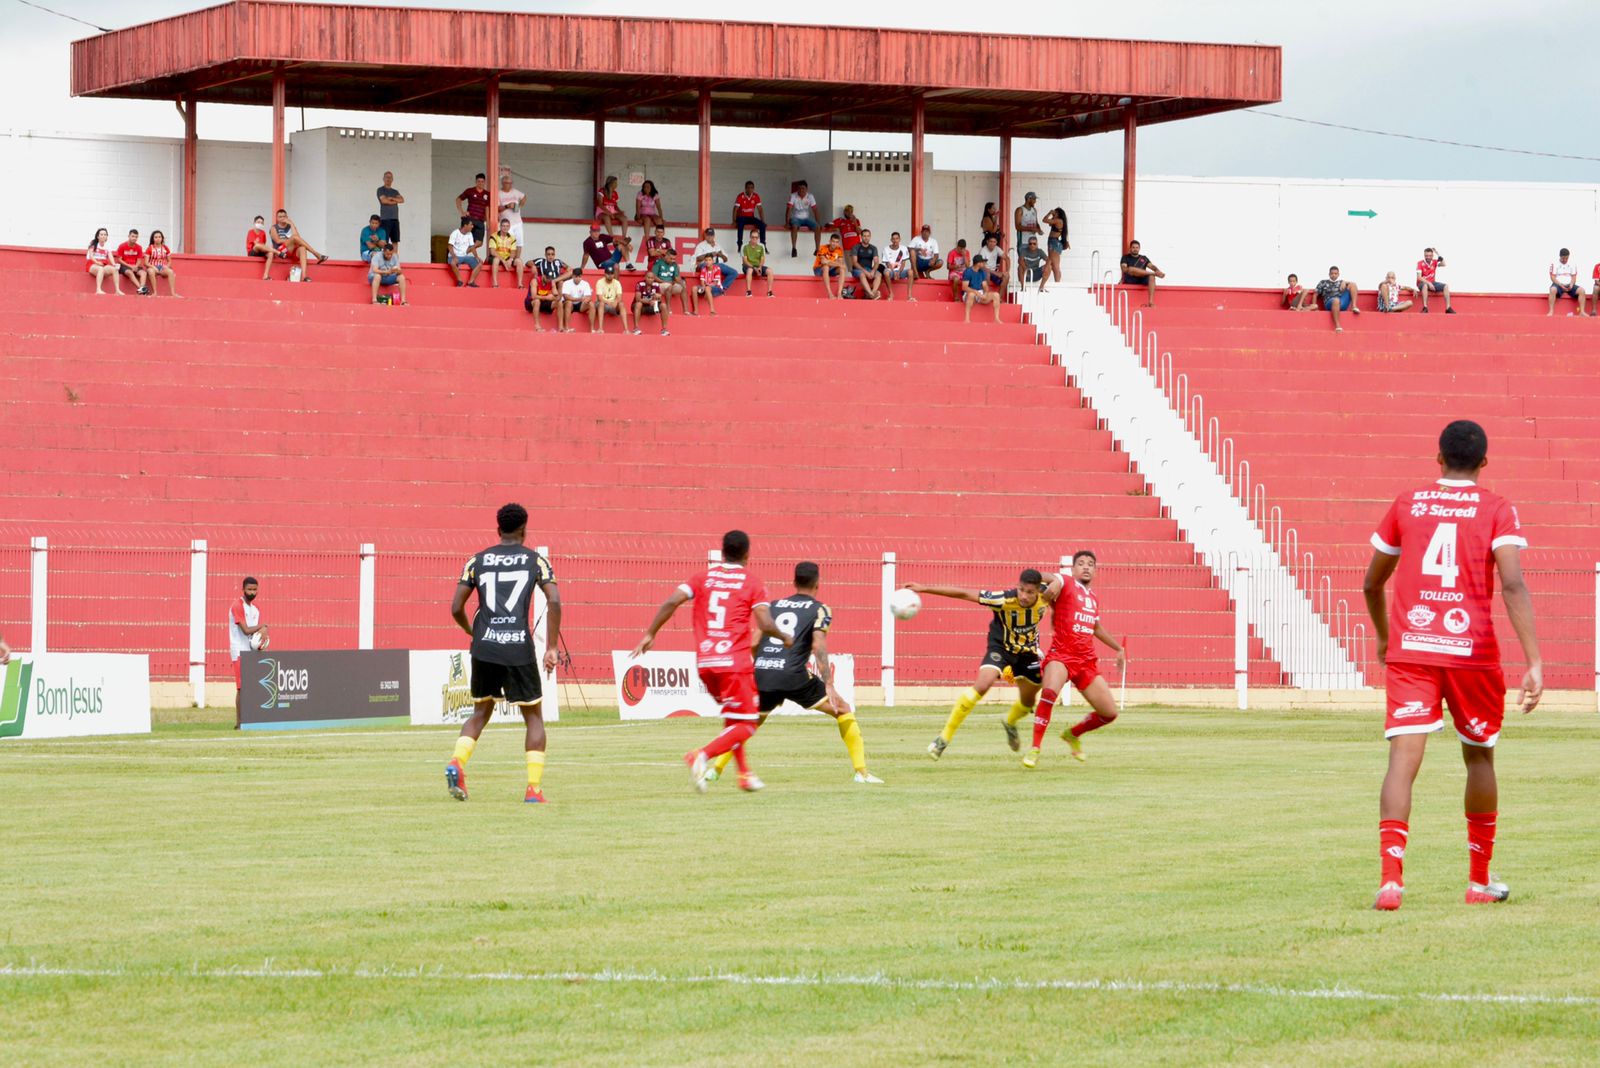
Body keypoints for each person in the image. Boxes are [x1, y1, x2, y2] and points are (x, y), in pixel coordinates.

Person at [1362, 419, 1541, 911]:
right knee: (1479, 756)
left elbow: (1371, 583)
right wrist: (1534, 660)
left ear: (1437, 458)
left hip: (1412, 650)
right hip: (1473, 652)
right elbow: (1512, 584)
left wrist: (1383, 636)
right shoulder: (1497, 509)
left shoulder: (1407, 503)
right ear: (1484, 463)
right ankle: (1479, 881)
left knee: (1403, 761)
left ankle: (1390, 882)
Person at [630, 530, 790, 794]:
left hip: (706, 664)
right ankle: (700, 755)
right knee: (748, 724)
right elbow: (764, 621)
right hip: (735, 664)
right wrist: (783, 636)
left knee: (733, 717)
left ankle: (744, 774)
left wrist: (651, 633)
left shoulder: (702, 577)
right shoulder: (751, 582)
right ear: (748, 554)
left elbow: (673, 600)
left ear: (722, 552)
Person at [706, 561, 884, 786]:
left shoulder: (773, 605)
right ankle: (862, 773)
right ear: (818, 584)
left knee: (747, 724)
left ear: (794, 582)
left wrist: (763, 664)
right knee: (844, 709)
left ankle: (715, 770)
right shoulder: (820, 609)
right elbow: (818, 645)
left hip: (764, 673)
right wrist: (829, 684)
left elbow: (753, 642)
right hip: (794, 676)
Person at [445, 502, 562, 805]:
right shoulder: (537, 561)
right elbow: (555, 600)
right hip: (517, 648)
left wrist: (474, 633)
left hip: (484, 645)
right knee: (533, 716)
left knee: (480, 711)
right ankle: (533, 790)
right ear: (524, 529)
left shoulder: (477, 561)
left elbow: (456, 608)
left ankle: (457, 762)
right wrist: (550, 647)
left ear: (498, 530)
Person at [908, 569, 1052, 760]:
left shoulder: (1047, 594)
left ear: (1038, 591)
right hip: (1001, 649)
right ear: (1018, 586)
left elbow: (1062, 583)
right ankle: (942, 739)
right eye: (1021, 590)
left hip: (1028, 653)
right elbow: (964, 593)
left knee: (1028, 702)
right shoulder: (1003, 599)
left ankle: (1009, 722)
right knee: (983, 685)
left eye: (1030, 592)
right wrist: (924, 588)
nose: (1024, 596)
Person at [1025, 550, 1127, 769]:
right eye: (1081, 563)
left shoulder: (1093, 599)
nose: (1086, 567)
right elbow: (1049, 578)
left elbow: (1096, 628)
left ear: (1096, 571)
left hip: (1086, 661)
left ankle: (1072, 734)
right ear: (1073, 569)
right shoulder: (1066, 581)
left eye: (1091, 564)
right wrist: (1048, 582)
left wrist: (1118, 648)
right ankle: (1035, 748)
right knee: (1050, 691)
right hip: (1061, 655)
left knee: (1109, 713)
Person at [228, 576, 266, 730]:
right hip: (238, 652)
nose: (252, 592)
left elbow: (253, 636)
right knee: (241, 688)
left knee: (251, 687)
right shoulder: (237, 606)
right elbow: (245, 631)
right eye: (249, 589)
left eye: (254, 589)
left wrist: (260, 643)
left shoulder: (255, 610)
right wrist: (263, 627)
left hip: (250, 652)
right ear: (243, 589)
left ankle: (250, 720)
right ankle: (239, 723)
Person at [265, 210, 327, 282]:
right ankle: (316, 253)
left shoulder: (290, 226)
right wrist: (290, 240)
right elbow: (278, 240)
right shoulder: (274, 227)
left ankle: (304, 276)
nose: (282, 218)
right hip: (280, 251)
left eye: (284, 216)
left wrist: (291, 224)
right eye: (280, 217)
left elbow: (298, 238)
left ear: (287, 217)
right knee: (294, 238)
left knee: (302, 248)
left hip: (291, 251)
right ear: (277, 218)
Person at [526, 246, 571, 331]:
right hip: (535, 301)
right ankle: (537, 326)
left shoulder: (558, 263)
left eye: (552, 254)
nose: (550, 256)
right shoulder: (540, 264)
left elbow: (570, 269)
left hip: (555, 283)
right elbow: (533, 296)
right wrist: (533, 266)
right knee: (537, 301)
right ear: (545, 255)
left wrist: (555, 296)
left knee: (559, 302)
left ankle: (561, 328)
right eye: (548, 254)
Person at [1315, 265, 1362, 333]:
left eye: (1335, 273)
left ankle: (1354, 306)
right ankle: (1337, 325)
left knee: (1353, 284)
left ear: (1338, 274)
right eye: (1332, 273)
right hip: (1330, 303)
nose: (1334, 275)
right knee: (1336, 300)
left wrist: (1345, 282)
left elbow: (1350, 285)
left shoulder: (1341, 282)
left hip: (1341, 302)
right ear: (1329, 274)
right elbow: (1315, 294)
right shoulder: (1323, 282)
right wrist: (1314, 305)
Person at [1119, 240, 1165, 306]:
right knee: (1131, 269)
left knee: (1152, 277)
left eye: (1137, 247)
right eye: (1133, 247)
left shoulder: (1143, 258)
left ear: (1139, 248)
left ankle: (1150, 302)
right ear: (1130, 248)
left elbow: (1152, 266)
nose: (1135, 249)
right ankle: (1154, 274)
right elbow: (1124, 269)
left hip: (1141, 279)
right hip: (1130, 279)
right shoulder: (1125, 257)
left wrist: (1157, 270)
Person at [594, 265, 638, 334]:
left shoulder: (617, 283)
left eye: (611, 274)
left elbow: (619, 297)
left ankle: (626, 330)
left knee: (621, 304)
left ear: (614, 274)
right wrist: (609, 302)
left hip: (613, 305)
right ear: (605, 274)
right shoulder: (600, 282)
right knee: (601, 303)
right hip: (603, 304)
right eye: (608, 274)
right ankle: (600, 329)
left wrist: (616, 302)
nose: (610, 275)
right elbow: (599, 298)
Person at [693, 228, 739, 293]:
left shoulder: (718, 246)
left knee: (734, 272)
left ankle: (721, 289)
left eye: (711, 235)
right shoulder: (701, 245)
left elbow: (725, 259)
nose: (710, 237)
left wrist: (720, 255)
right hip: (704, 265)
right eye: (708, 235)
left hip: (718, 266)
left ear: (714, 236)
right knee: (708, 265)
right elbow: (698, 258)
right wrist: (711, 254)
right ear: (705, 235)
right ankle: (705, 286)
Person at [650, 247, 690, 316]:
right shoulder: (658, 262)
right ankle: (668, 309)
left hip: (670, 284)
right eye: (671, 258)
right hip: (660, 285)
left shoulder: (674, 264)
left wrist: (682, 283)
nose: (672, 260)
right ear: (666, 256)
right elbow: (653, 276)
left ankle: (686, 310)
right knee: (669, 286)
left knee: (683, 286)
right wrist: (664, 282)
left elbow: (677, 277)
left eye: (674, 259)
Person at [785, 179, 821, 256]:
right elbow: (788, 210)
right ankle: (794, 248)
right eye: (799, 188)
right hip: (796, 218)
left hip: (806, 218)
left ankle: (817, 249)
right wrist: (787, 223)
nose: (801, 190)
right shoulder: (793, 196)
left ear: (806, 189)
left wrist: (818, 223)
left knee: (817, 227)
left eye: (803, 188)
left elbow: (815, 210)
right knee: (794, 227)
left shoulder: (810, 196)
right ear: (797, 189)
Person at [1547, 248, 1587, 316]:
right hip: (1558, 284)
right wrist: (1560, 285)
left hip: (1569, 284)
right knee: (1552, 289)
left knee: (1582, 291)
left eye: (1566, 258)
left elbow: (1574, 276)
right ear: (1560, 256)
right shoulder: (1554, 263)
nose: (1565, 260)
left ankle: (1582, 312)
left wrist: (1571, 284)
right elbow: (1552, 277)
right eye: (1563, 258)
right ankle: (1551, 311)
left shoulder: (1572, 263)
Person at [962, 254, 1001, 323]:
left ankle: (996, 319)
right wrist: (976, 292)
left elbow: (985, 286)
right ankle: (967, 319)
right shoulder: (968, 271)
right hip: (969, 294)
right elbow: (964, 287)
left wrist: (985, 293)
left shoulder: (982, 272)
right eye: (983, 262)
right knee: (971, 295)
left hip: (980, 294)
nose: (984, 263)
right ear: (978, 263)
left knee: (996, 295)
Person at [455, 173, 491, 244]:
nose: (480, 183)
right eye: (478, 181)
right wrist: (462, 212)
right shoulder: (470, 191)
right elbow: (458, 199)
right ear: (476, 182)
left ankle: (467, 251)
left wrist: (488, 221)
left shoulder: (487, 194)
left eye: (482, 181)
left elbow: (487, 207)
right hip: (470, 219)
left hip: (480, 221)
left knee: (479, 243)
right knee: (464, 239)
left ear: (485, 182)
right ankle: (461, 253)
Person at [497, 171, 526, 260]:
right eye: (506, 183)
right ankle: (509, 259)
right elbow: (497, 208)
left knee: (519, 242)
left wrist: (520, 206)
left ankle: (517, 259)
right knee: (509, 242)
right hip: (506, 223)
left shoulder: (515, 192)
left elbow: (524, 197)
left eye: (510, 183)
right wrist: (507, 206)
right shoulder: (499, 193)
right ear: (502, 183)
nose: (509, 185)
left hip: (517, 221)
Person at [487, 219, 524, 289]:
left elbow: (513, 251)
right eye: (503, 226)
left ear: (509, 227)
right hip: (496, 257)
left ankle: (520, 284)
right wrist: (503, 261)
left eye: (507, 226)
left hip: (507, 258)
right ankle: (495, 283)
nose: (505, 228)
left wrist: (510, 259)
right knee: (496, 260)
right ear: (500, 226)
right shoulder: (494, 236)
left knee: (519, 261)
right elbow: (492, 251)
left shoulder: (512, 237)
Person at [1415, 247, 1454, 314]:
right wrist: (1429, 283)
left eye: (1430, 255)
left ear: (1432, 256)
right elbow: (1419, 277)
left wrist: (1437, 253)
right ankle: (1425, 307)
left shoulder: (1434, 262)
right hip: (1422, 283)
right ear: (1424, 255)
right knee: (1425, 286)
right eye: (1426, 255)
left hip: (1433, 283)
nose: (1428, 257)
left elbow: (1444, 264)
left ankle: (1448, 308)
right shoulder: (1420, 263)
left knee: (1446, 286)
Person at [849, 228, 883, 300]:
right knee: (862, 274)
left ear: (870, 237)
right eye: (864, 236)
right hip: (857, 269)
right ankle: (871, 294)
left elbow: (876, 262)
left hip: (869, 269)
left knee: (879, 275)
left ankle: (872, 293)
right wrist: (866, 272)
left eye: (868, 236)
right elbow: (854, 262)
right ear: (861, 237)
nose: (866, 238)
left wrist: (873, 271)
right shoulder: (856, 247)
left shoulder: (873, 248)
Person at [447, 219, 483, 287]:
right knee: (453, 263)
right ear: (465, 225)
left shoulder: (470, 234)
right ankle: (460, 281)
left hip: (464, 256)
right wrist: (454, 257)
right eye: (471, 225)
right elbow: (449, 246)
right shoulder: (455, 233)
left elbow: (472, 247)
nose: (472, 226)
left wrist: (477, 257)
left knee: (480, 263)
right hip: (455, 256)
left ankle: (471, 282)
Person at [559, 267, 597, 332]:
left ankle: (592, 329)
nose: (578, 278)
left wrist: (586, 300)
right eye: (576, 276)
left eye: (579, 276)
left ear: (581, 276)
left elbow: (588, 296)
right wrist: (579, 299)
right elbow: (566, 297)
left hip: (580, 304)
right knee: (569, 303)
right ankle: (567, 328)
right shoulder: (566, 283)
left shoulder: (585, 283)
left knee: (591, 304)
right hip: (569, 304)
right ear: (573, 276)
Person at [85, 228, 121, 295]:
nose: (103, 236)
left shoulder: (108, 245)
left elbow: (110, 256)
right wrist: (97, 262)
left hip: (103, 264)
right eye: (101, 234)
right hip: (92, 264)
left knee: (115, 269)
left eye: (105, 234)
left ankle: (117, 290)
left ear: (107, 236)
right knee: (100, 269)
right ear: (98, 236)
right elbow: (91, 256)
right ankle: (98, 289)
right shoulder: (93, 243)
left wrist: (114, 264)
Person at [733, 180, 767, 250]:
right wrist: (734, 221)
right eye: (748, 187)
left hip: (750, 217)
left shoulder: (756, 196)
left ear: (753, 189)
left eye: (751, 188)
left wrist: (763, 220)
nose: (750, 189)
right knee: (740, 225)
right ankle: (740, 244)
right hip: (741, 217)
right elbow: (735, 209)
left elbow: (760, 209)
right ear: (745, 188)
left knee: (762, 225)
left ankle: (763, 244)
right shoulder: (740, 196)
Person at [144, 230, 179, 297]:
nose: (158, 239)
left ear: (162, 238)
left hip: (162, 267)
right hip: (152, 267)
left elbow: (169, 261)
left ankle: (173, 293)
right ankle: (155, 292)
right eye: (156, 237)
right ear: (153, 239)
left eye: (160, 237)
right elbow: (146, 262)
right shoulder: (149, 248)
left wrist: (166, 266)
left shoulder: (165, 248)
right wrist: (153, 267)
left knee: (171, 272)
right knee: (151, 271)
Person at [595, 175, 630, 242]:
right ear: (611, 183)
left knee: (624, 218)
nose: (616, 185)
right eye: (615, 183)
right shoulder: (602, 191)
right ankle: (611, 237)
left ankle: (624, 237)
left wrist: (620, 211)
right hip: (602, 211)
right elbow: (600, 204)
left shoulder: (615, 193)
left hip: (612, 211)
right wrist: (609, 213)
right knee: (606, 217)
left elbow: (615, 206)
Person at [115, 229, 149, 296]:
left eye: (136, 237)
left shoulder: (139, 247)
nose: (134, 238)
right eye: (132, 236)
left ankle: (141, 289)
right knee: (129, 272)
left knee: (143, 273)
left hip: (135, 265)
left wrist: (136, 266)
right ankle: (141, 289)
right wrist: (130, 266)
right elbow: (119, 259)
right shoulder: (122, 246)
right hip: (124, 266)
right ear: (129, 236)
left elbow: (139, 259)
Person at [1042, 206, 1069, 289]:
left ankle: (1057, 284)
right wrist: (1053, 215)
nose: (1054, 213)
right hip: (1053, 242)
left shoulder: (1059, 220)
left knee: (1055, 266)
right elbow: (1050, 223)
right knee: (1053, 265)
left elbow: (1044, 220)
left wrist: (1050, 212)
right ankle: (1056, 283)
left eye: (1056, 212)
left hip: (1054, 243)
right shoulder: (1057, 220)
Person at [881, 232, 912, 301]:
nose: (895, 240)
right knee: (886, 273)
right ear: (891, 240)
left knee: (910, 272)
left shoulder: (904, 248)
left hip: (900, 270)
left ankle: (909, 296)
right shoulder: (886, 249)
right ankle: (891, 294)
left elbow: (903, 263)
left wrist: (898, 272)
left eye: (897, 238)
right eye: (893, 239)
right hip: (891, 270)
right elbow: (887, 264)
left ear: (900, 239)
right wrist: (894, 272)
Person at [376, 171, 404, 246]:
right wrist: (395, 201)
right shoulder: (380, 190)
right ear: (383, 179)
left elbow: (402, 200)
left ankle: (395, 257)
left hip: (395, 219)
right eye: (387, 177)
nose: (388, 179)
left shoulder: (395, 191)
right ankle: (384, 257)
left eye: (390, 177)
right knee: (384, 241)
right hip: (385, 219)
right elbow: (384, 201)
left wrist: (391, 198)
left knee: (395, 241)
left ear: (392, 179)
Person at [813, 233, 845, 299]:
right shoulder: (822, 247)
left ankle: (839, 293)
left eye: (836, 242)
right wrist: (836, 263)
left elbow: (840, 263)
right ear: (830, 241)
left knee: (842, 269)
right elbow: (823, 261)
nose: (834, 244)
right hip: (818, 269)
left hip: (831, 269)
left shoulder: (839, 250)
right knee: (826, 266)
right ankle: (830, 293)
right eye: (833, 241)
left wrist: (830, 262)